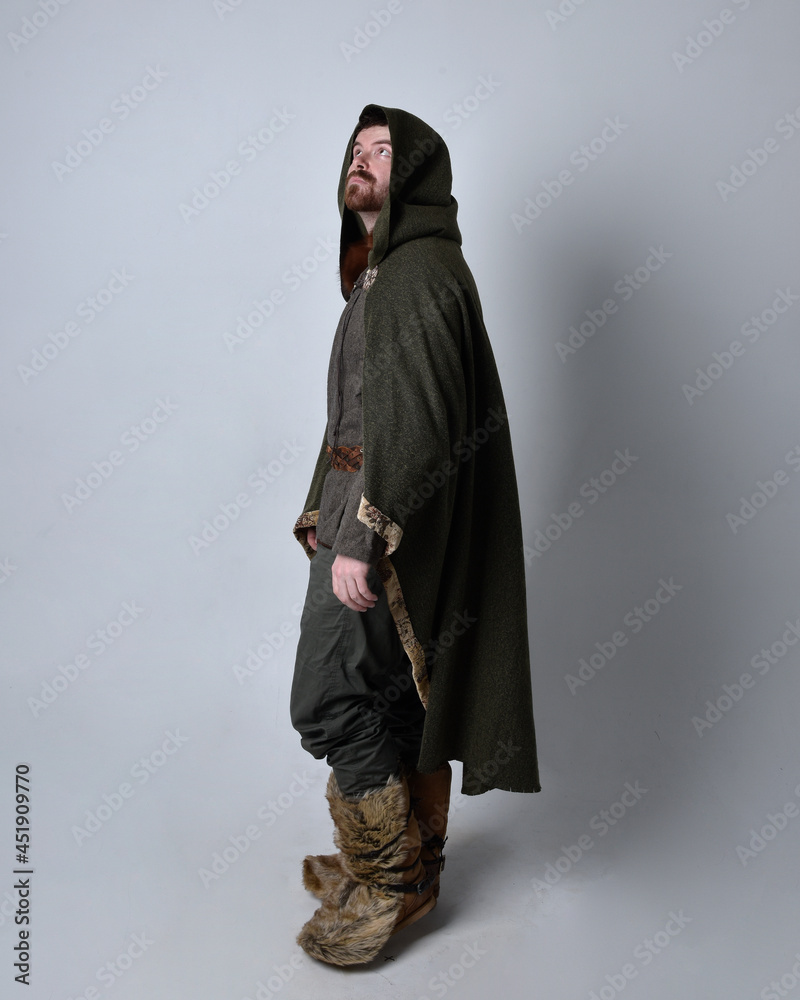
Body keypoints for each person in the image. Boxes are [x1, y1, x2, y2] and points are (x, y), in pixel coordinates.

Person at [290, 103, 540, 967]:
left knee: (326, 698)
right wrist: (328, 506)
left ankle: (387, 879)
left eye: (383, 151)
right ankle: (412, 869)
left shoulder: (420, 273)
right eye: (355, 149)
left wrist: (365, 532)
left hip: (381, 515)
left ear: (418, 173)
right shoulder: (381, 273)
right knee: (393, 695)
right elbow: (360, 414)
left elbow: (425, 423)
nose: (361, 159)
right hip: (359, 501)